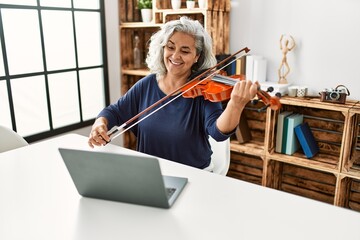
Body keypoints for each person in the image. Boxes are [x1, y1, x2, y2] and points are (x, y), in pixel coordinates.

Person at [88, 16, 258, 170]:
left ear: (196, 56)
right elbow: (114, 112)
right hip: (152, 173)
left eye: (185, 51)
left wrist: (236, 104)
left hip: (194, 175)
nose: (175, 56)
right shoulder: (147, 84)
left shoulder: (204, 90)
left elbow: (218, 133)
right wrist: (100, 124)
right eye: (170, 47)